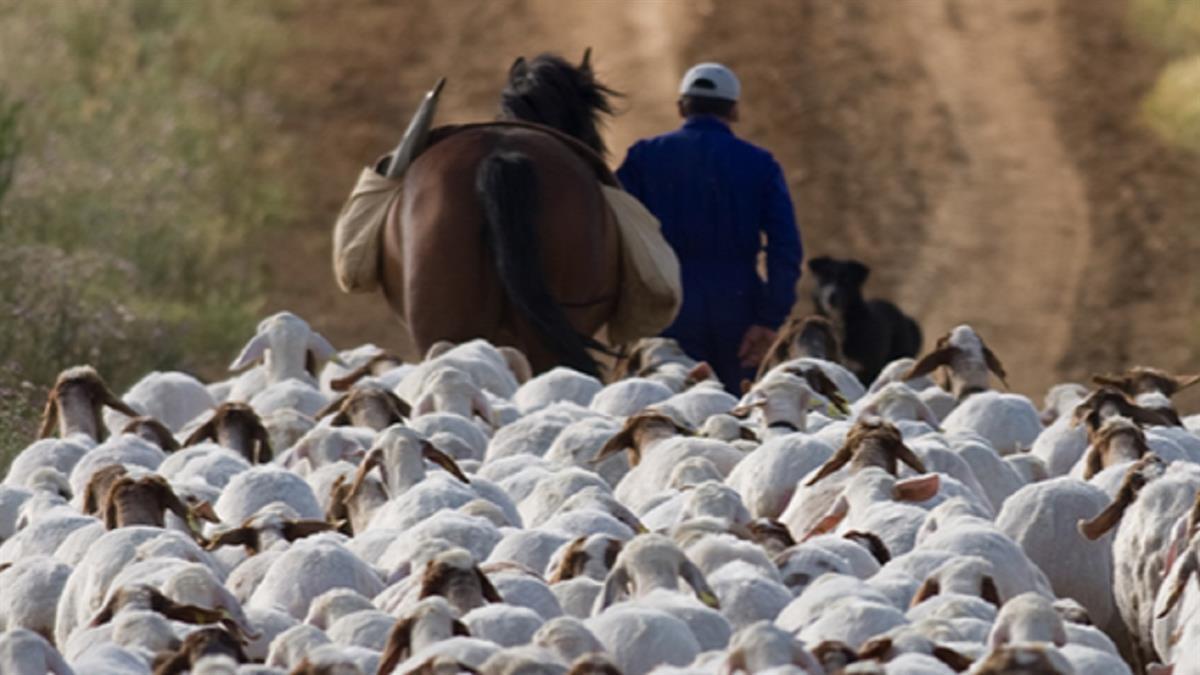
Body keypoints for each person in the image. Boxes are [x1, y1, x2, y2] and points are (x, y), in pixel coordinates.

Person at [616, 62, 803, 394]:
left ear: (681, 107)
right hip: (739, 305)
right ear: (734, 111)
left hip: (666, 304)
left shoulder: (644, 157)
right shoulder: (760, 164)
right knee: (740, 418)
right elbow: (784, 246)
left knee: (666, 409)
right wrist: (769, 319)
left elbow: (616, 230)